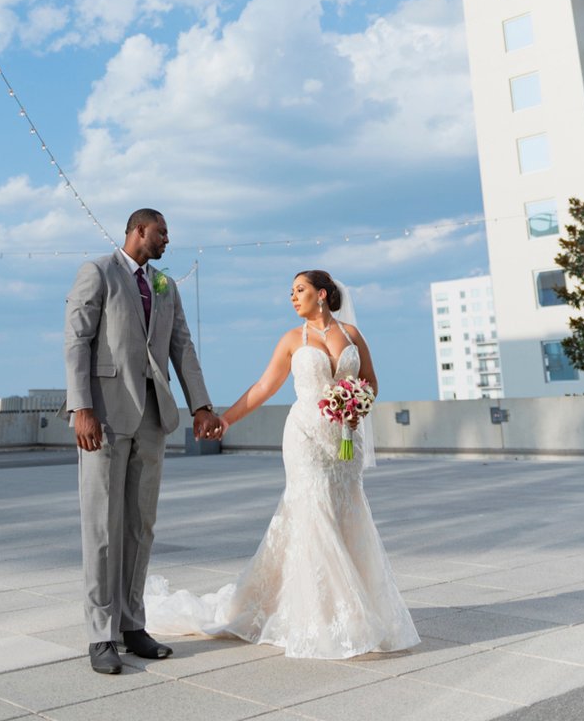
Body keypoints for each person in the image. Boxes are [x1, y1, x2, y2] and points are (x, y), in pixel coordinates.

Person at [145, 269, 420, 659]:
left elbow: (371, 382)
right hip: (305, 437)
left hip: (344, 441)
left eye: (300, 290)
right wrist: (225, 419)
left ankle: (348, 606)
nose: (293, 298)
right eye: (291, 292)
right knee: (313, 512)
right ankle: (321, 615)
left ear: (321, 294)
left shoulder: (353, 337)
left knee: (345, 515)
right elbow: (263, 387)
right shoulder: (293, 340)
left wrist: (358, 405)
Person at [64, 208, 222, 675]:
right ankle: (101, 634)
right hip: (106, 417)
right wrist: (82, 408)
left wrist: (201, 405)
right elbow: (76, 341)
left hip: (154, 418)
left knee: (140, 526)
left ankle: (133, 625)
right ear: (138, 231)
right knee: (102, 528)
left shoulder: (166, 285)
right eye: (162, 233)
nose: (167, 241)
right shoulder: (97, 272)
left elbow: (182, 347)